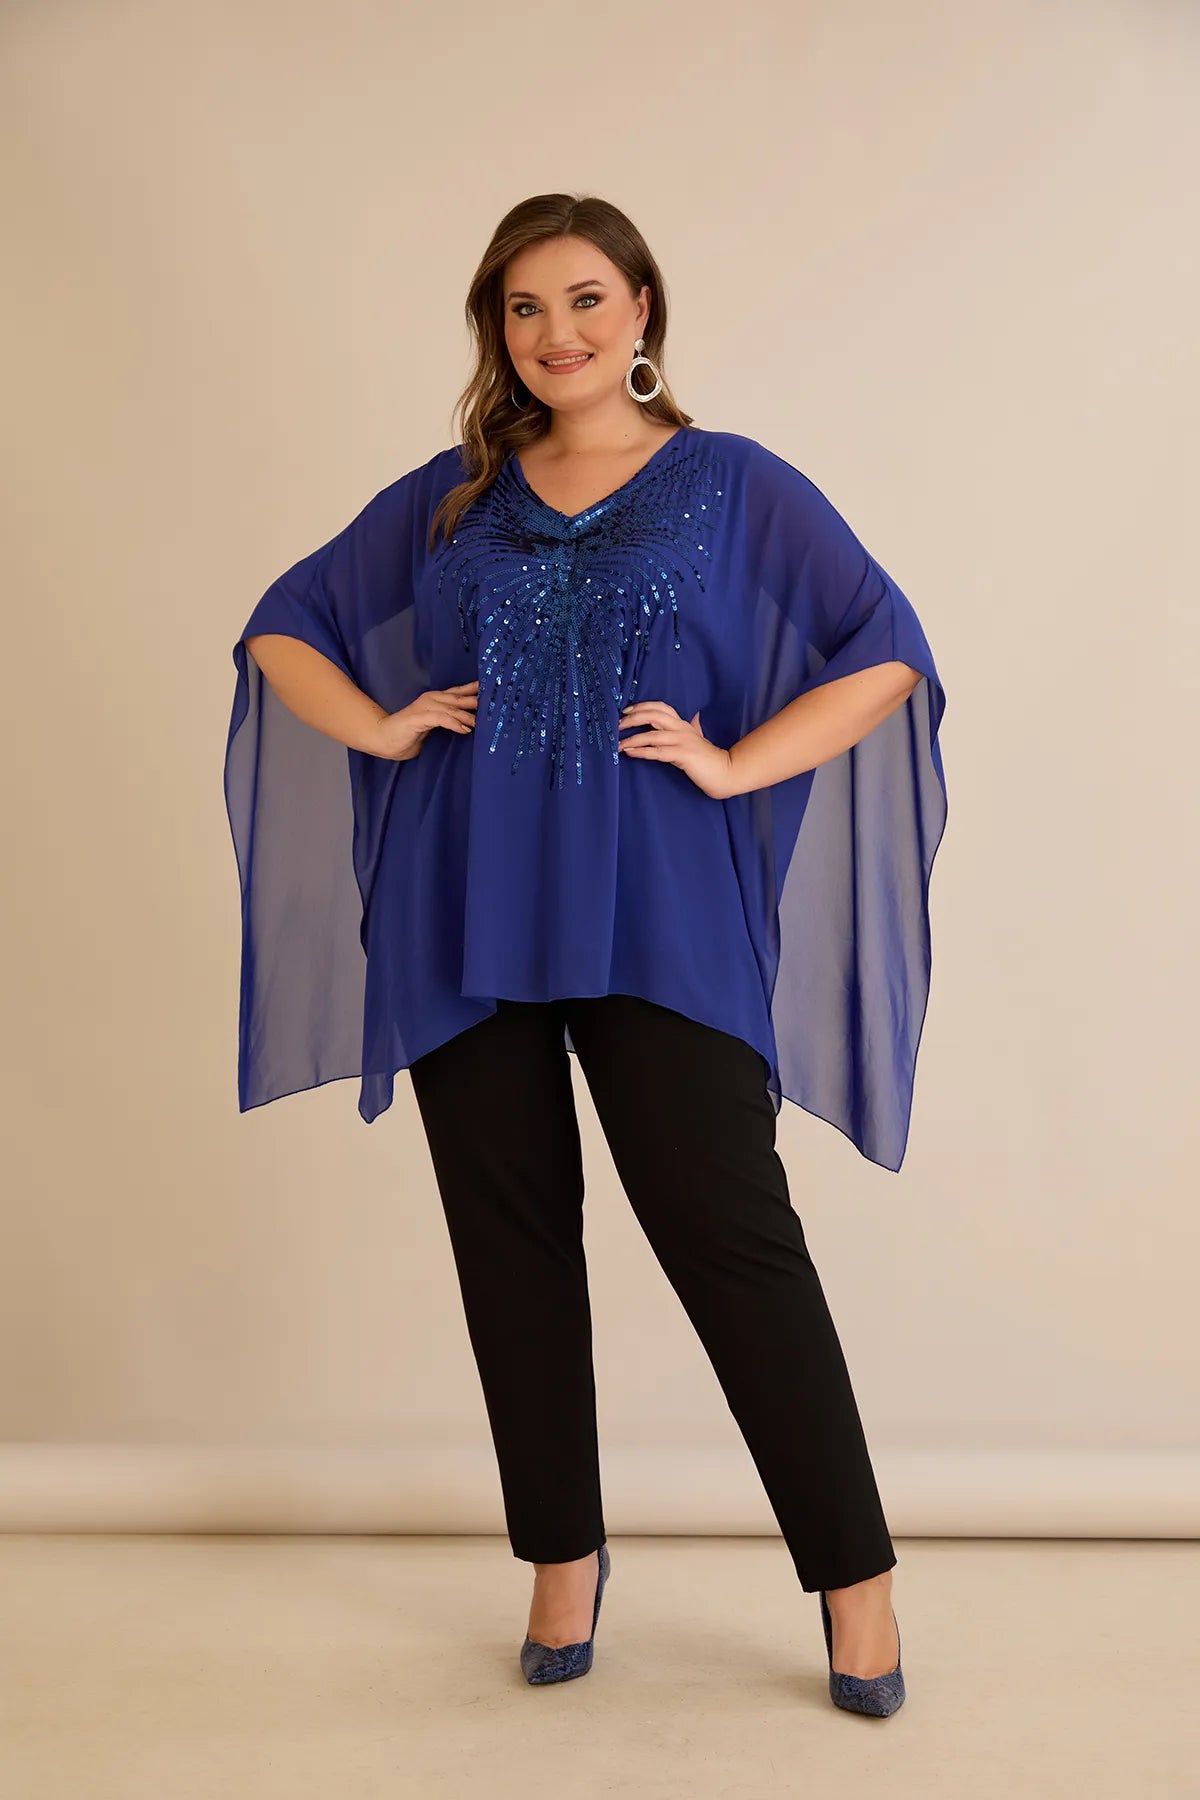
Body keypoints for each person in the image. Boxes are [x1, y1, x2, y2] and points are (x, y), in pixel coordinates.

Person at [223, 193, 947, 1717]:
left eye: (585, 298)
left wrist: (738, 764)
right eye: (524, 308)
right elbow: (286, 623)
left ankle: (857, 1580)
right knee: (512, 1245)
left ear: (642, 310)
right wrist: (382, 726)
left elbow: (884, 645)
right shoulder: (454, 498)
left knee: (730, 1236)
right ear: (498, 330)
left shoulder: (732, 482)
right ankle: (562, 1557)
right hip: (463, 902)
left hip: (660, 907)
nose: (557, 332)